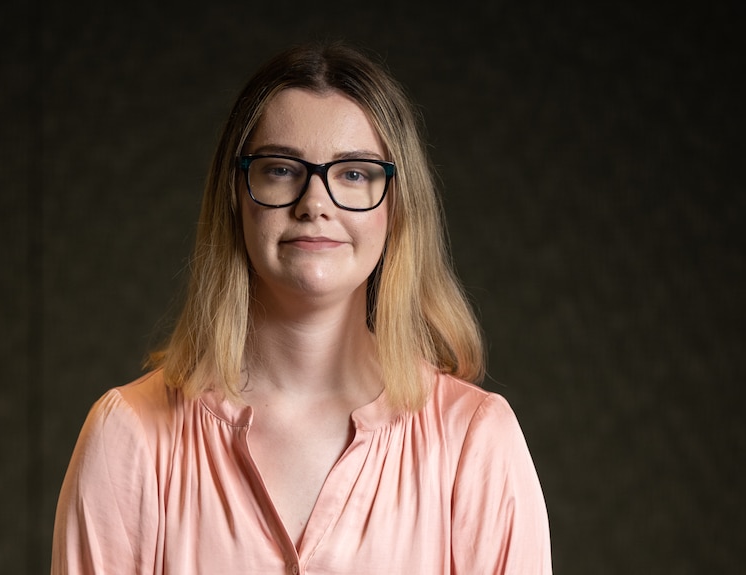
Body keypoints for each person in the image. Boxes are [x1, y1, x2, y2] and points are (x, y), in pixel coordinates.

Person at [51, 41, 552, 574]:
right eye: (282, 169)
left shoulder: (474, 443)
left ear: (398, 207)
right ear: (235, 193)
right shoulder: (131, 437)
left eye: (354, 174)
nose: (315, 203)